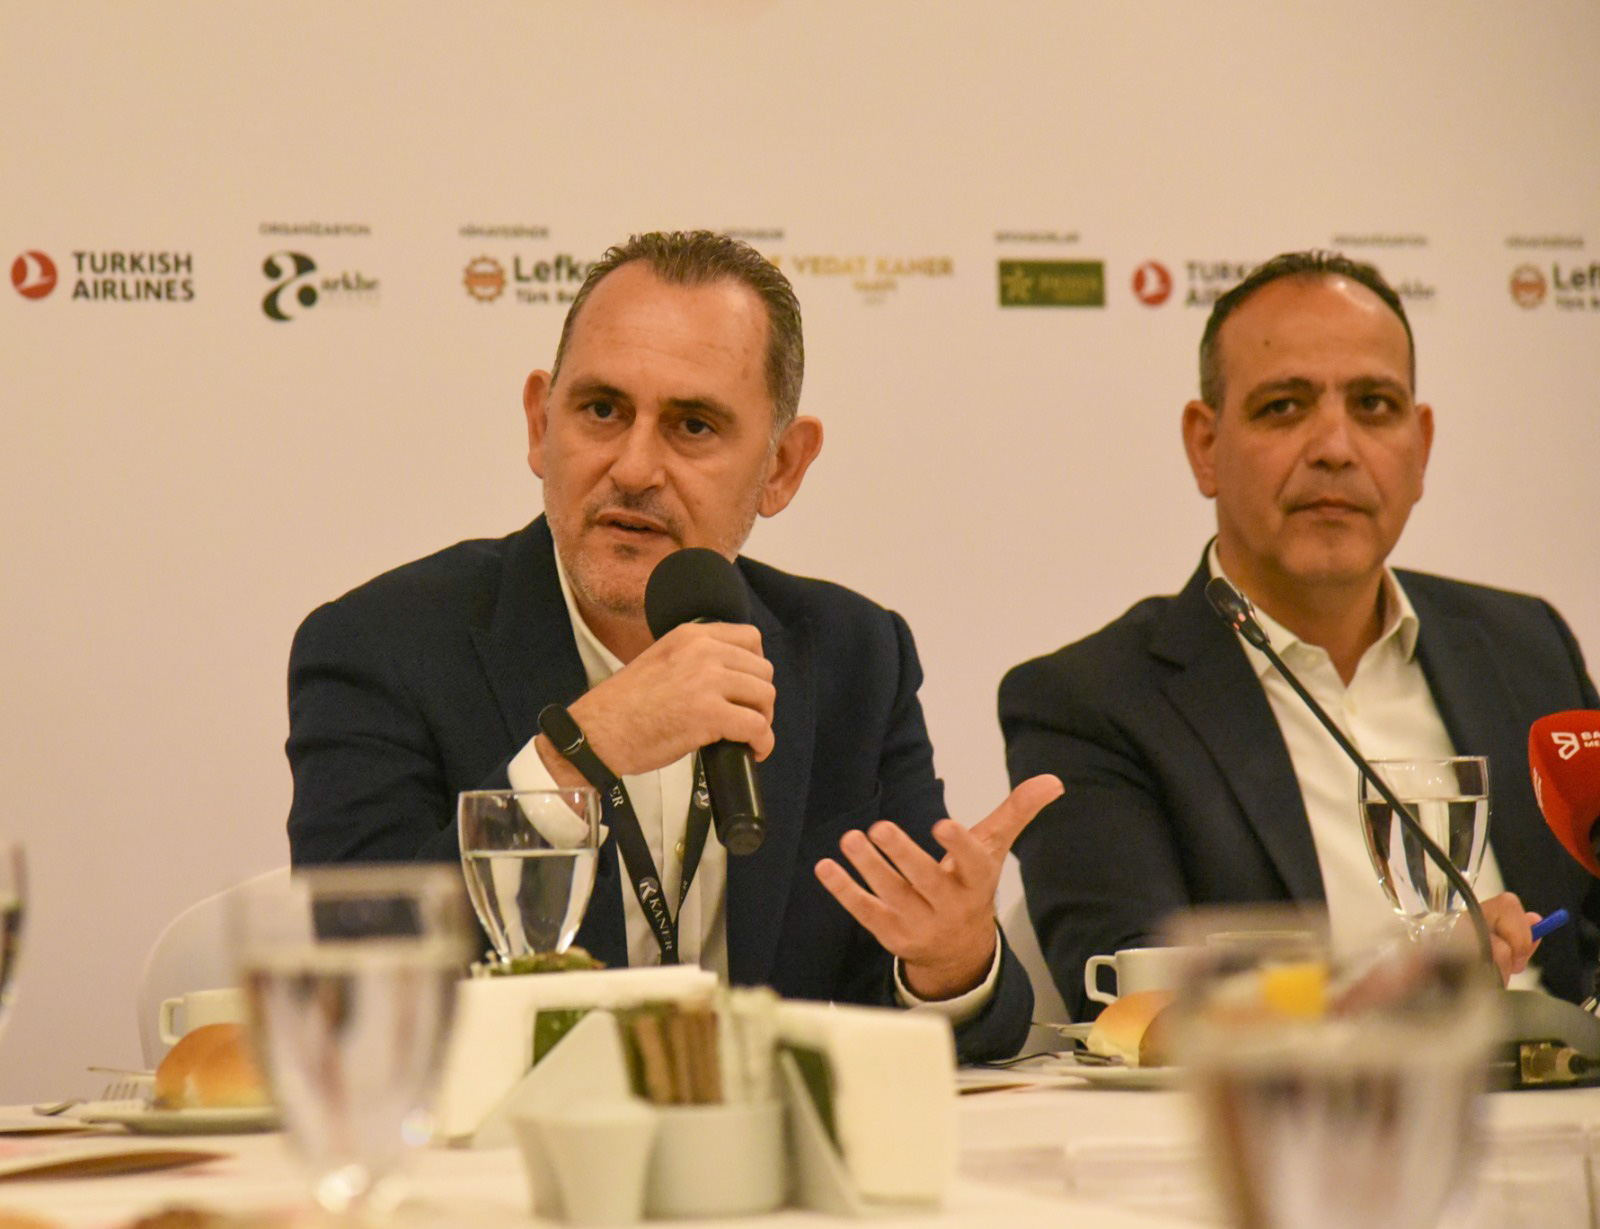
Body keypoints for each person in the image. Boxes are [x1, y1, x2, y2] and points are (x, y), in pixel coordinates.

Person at [287, 230, 1059, 1061]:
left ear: (782, 466)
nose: (634, 467)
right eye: (602, 410)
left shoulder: (854, 656)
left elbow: (917, 1001)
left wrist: (950, 962)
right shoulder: (381, 646)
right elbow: (355, 981)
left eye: (693, 425)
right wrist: (576, 757)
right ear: (540, 424)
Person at [1001, 251, 1599, 1020]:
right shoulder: (1091, 701)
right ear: (1205, 445)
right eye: (1284, 407)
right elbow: (1138, 1004)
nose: (1335, 448)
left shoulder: (1525, 646)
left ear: (1421, 445)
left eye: (1374, 405)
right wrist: (1393, 987)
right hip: (1282, 1097)